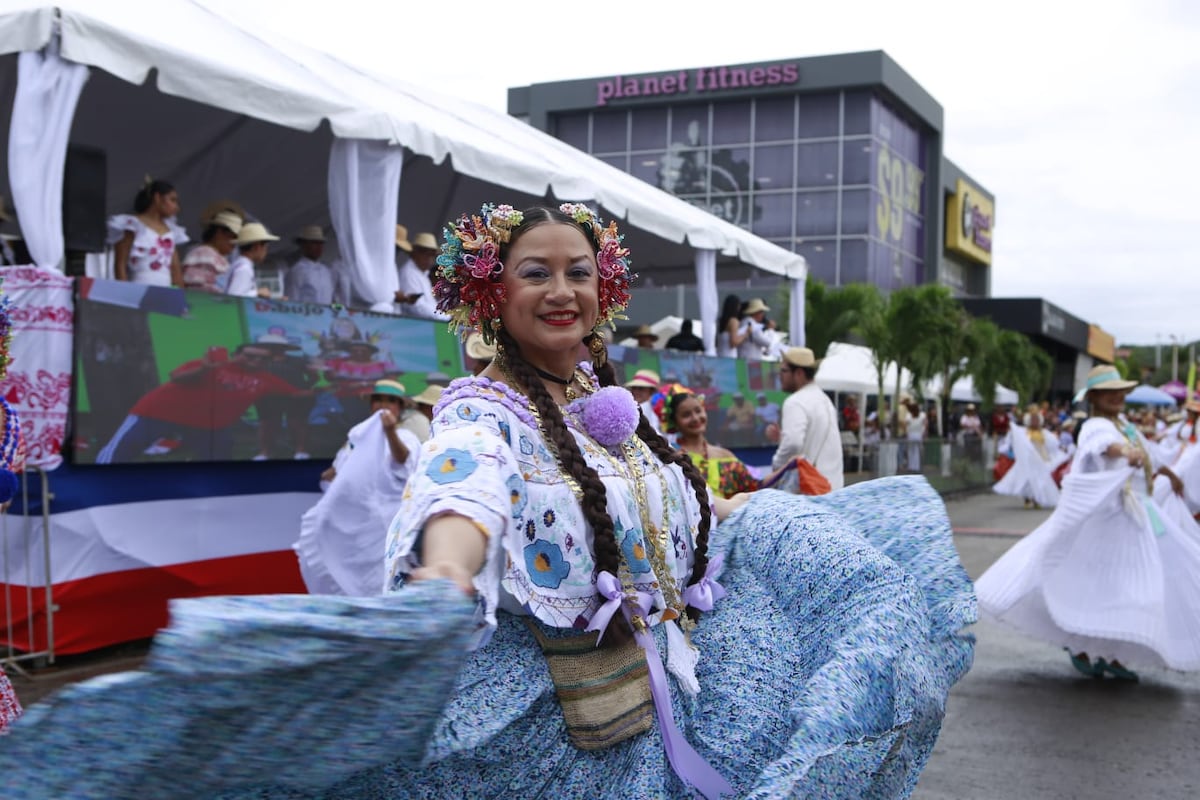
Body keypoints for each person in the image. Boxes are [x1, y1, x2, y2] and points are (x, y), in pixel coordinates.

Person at [0, 204, 975, 800]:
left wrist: (709, 484)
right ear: (489, 298)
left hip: (691, 683)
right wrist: (442, 576)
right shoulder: (482, 407)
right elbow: (463, 486)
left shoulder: (610, 407)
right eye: (534, 272)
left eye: (579, 270)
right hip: (569, 730)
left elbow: (676, 521)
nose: (563, 289)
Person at [977, 365, 1200, 682]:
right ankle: (1083, 649)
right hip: (1107, 518)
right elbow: (1104, 445)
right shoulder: (1096, 425)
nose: (1117, 397)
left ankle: (1114, 653)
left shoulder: (1124, 425)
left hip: (1136, 515)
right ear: (1094, 397)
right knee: (1102, 587)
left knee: (1127, 587)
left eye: (1120, 391)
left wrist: (1171, 474)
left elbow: (1150, 455)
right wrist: (1125, 452)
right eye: (1109, 392)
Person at [297, 379, 420, 597]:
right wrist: (334, 473)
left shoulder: (405, 437)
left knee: (382, 577)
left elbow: (403, 462)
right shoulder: (359, 436)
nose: (383, 405)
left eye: (390, 401)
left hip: (385, 523)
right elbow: (343, 467)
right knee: (343, 571)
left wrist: (390, 432)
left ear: (400, 407)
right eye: (378, 400)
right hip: (354, 522)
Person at [94, 343, 309, 463]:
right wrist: (205, 368)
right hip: (159, 412)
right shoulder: (212, 365)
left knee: (219, 459)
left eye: (263, 359)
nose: (257, 361)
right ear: (236, 354)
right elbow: (177, 377)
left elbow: (297, 394)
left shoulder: (266, 378)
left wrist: (324, 386)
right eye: (250, 356)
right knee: (120, 452)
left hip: (208, 425)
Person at [771, 346, 844, 490]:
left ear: (798, 373)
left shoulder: (795, 401)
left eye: (784, 371)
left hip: (810, 492)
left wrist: (776, 466)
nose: (780, 375)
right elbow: (812, 440)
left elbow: (793, 443)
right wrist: (781, 438)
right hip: (833, 488)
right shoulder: (825, 400)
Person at [108, 178, 187, 287]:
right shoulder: (132, 224)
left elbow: (175, 270)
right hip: (139, 288)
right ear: (157, 198)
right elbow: (120, 264)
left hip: (166, 291)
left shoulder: (172, 231)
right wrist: (125, 293)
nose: (176, 207)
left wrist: (180, 297)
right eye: (172, 200)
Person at [251, 333, 319, 461]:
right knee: (267, 424)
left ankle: (301, 450)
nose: (272, 348)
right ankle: (265, 452)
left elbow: (314, 377)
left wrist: (303, 388)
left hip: (295, 398)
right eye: (268, 346)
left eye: (275, 346)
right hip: (267, 397)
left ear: (283, 348)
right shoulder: (258, 362)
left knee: (297, 423)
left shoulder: (298, 361)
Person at [992, 404, 1069, 509]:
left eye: (1036, 419)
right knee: (1027, 481)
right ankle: (1028, 499)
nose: (1035, 421)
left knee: (1040, 480)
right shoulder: (1023, 432)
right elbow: (1013, 441)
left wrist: (1061, 450)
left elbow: (1053, 444)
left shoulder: (1044, 433)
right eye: (1033, 419)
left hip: (1041, 459)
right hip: (1027, 460)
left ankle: (1038, 499)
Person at [181, 210, 242, 292]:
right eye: (233, 236)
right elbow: (199, 289)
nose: (235, 243)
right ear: (219, 233)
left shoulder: (218, 257)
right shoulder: (203, 254)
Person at [284, 225, 346, 306]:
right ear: (304, 245)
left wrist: (340, 310)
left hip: (326, 316)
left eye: (321, 243)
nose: (319, 247)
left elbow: (333, 299)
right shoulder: (296, 272)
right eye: (314, 243)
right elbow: (291, 301)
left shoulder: (326, 271)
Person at [395, 228, 446, 320]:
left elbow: (430, 304)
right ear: (415, 253)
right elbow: (416, 306)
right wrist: (444, 317)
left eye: (432, 255)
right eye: (427, 254)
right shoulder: (409, 273)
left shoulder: (422, 274)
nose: (430, 259)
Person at [224, 222, 280, 298]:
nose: (266, 251)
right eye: (265, 246)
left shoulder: (239, 265)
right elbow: (234, 297)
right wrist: (257, 293)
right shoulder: (244, 269)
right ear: (257, 246)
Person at [623, 367, 662, 433]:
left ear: (651, 391)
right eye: (634, 387)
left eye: (641, 388)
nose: (636, 391)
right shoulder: (630, 408)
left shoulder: (655, 409)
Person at [715, 294, 747, 359]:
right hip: (730, 357)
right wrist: (746, 334)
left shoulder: (720, 321)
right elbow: (733, 343)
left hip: (720, 355)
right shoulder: (734, 321)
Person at [904, 397, 926, 473]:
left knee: (911, 451)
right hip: (918, 434)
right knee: (916, 451)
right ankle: (916, 467)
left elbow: (906, 424)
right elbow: (925, 424)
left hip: (912, 434)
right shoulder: (922, 415)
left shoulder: (909, 415)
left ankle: (912, 467)